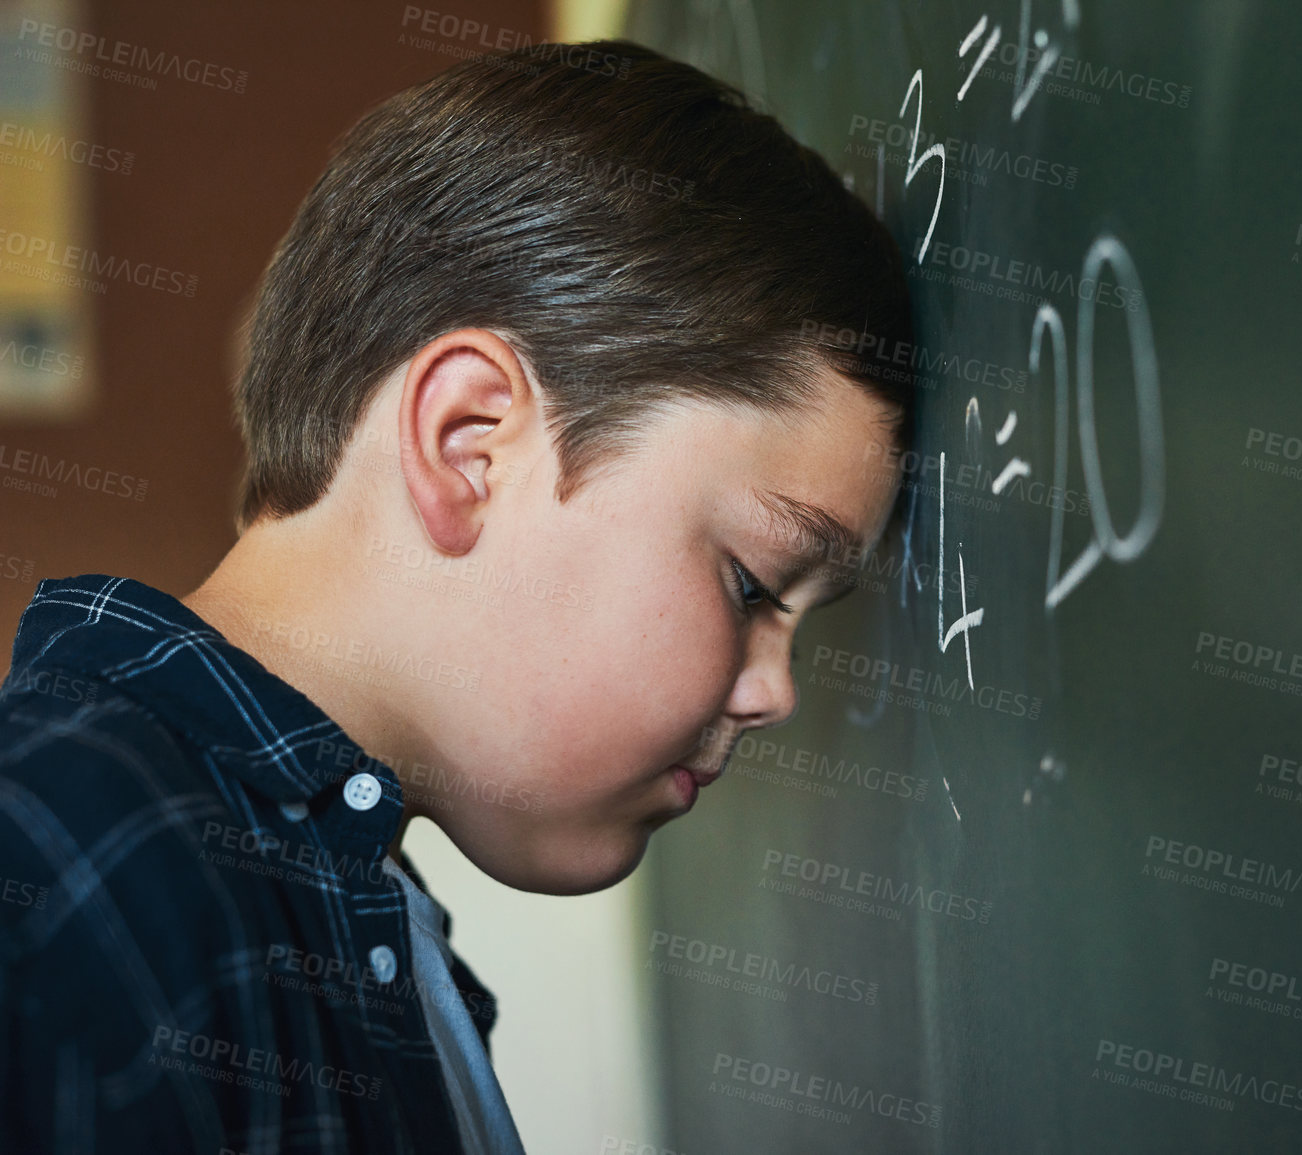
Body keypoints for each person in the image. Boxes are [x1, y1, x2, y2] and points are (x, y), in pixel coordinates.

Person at [0, 39, 913, 1154]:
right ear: (470, 445)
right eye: (753, 583)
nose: (776, 692)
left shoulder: (366, 918)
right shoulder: (63, 860)